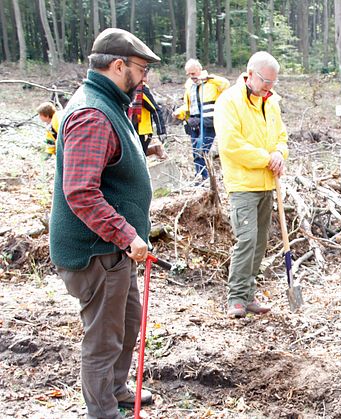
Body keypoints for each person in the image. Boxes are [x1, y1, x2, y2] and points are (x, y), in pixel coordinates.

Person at [48, 28, 159, 418]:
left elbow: (109, 166)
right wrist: (127, 234)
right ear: (117, 65)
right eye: (141, 69)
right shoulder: (93, 113)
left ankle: (116, 390)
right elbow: (80, 192)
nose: (144, 77)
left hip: (117, 249)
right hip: (97, 252)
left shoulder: (110, 103)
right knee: (103, 340)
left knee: (127, 324)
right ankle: (103, 412)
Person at [214, 51, 288, 318]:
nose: (269, 86)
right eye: (266, 80)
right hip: (243, 184)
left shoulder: (271, 102)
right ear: (250, 73)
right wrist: (266, 158)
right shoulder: (229, 102)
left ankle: (248, 294)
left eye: (273, 82)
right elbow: (231, 145)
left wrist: (279, 152)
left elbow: (281, 136)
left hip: (267, 183)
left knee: (259, 242)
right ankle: (235, 297)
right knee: (246, 239)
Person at [173, 59, 229, 181]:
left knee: (202, 151)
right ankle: (200, 177)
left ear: (199, 70)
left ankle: (205, 178)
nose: (191, 77)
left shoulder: (212, 82)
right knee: (195, 153)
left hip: (208, 123)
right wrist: (180, 113)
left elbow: (226, 85)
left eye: (193, 73)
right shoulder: (190, 86)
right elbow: (189, 106)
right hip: (193, 123)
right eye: (188, 74)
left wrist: (209, 78)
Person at [129, 72, 167, 159]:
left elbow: (155, 110)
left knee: (139, 156)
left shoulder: (142, 90)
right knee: (136, 156)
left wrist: (161, 131)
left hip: (143, 131)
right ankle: (155, 149)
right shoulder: (128, 89)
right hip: (131, 128)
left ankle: (156, 149)